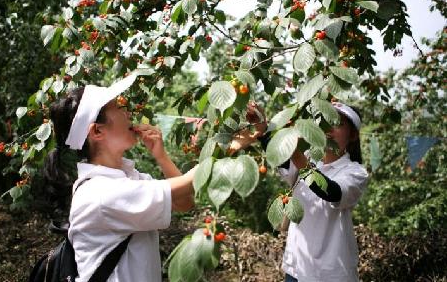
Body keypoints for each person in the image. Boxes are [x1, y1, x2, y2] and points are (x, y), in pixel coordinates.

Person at [43, 77, 195, 282]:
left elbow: (184, 202)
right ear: (97, 131)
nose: (129, 112)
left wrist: (161, 156)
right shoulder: (99, 193)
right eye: (119, 108)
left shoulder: (130, 178)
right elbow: (188, 184)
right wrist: (229, 147)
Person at [231, 101, 369, 282]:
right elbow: (281, 157)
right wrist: (263, 129)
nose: (329, 128)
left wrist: (295, 152)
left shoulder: (355, 172)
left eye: (337, 123)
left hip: (331, 274)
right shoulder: (309, 158)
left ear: (352, 136)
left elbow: (332, 192)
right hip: (296, 269)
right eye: (324, 121)